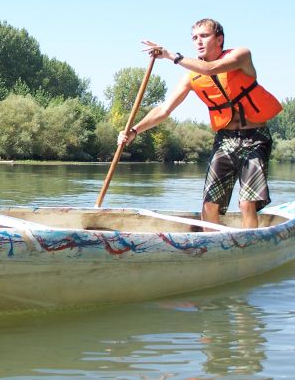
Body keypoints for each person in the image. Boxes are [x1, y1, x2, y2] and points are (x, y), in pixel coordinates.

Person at [118, 18, 283, 229]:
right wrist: (134, 130)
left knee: (246, 203)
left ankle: (249, 245)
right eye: (194, 38)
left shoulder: (241, 55)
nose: (198, 41)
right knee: (209, 203)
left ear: (219, 39)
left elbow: (211, 68)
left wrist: (171, 56)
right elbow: (164, 109)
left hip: (255, 137)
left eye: (204, 36)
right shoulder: (191, 77)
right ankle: (210, 245)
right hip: (225, 140)